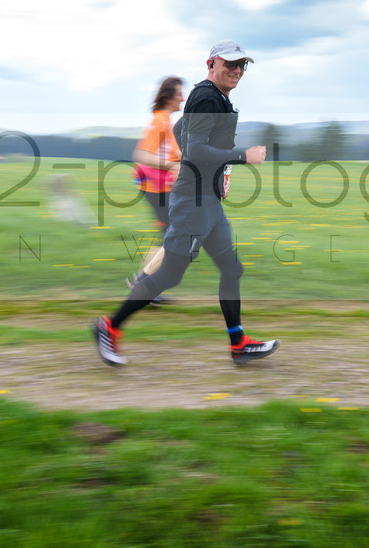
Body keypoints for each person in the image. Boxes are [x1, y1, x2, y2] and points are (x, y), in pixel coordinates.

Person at [94, 40, 278, 366]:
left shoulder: (216, 98)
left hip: (207, 203)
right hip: (193, 204)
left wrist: (221, 171)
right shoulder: (207, 96)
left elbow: (183, 136)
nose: (237, 70)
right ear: (211, 64)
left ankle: (238, 344)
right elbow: (196, 150)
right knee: (169, 274)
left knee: (231, 268)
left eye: (242, 65)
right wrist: (242, 157)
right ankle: (109, 327)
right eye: (230, 64)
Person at [128, 76, 184, 304]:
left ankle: (144, 286)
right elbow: (141, 154)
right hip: (154, 186)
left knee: (169, 237)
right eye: (179, 93)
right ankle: (143, 285)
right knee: (174, 237)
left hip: (159, 186)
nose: (183, 97)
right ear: (168, 97)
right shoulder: (160, 121)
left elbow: (170, 154)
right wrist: (173, 165)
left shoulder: (165, 121)